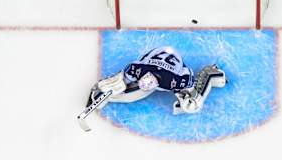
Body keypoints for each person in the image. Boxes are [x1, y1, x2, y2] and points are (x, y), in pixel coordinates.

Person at [77, 46, 227, 131]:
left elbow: (188, 78)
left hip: (173, 68)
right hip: (155, 58)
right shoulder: (137, 69)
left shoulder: (175, 81)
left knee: (192, 106)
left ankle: (209, 73)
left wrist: (186, 96)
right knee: (126, 91)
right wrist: (115, 85)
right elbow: (124, 77)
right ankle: (107, 96)